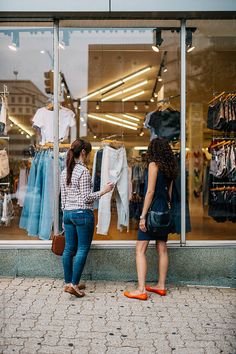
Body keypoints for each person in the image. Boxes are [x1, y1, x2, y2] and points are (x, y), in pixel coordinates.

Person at [124, 138, 178, 300]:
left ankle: (141, 289)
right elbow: (168, 195)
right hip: (164, 211)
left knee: (140, 250)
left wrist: (142, 216)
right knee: (162, 249)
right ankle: (161, 286)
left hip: (152, 210)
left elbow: (150, 192)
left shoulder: (153, 165)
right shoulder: (170, 168)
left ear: (152, 150)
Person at [60, 138, 113, 297]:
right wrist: (104, 191)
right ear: (83, 152)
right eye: (89, 153)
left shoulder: (65, 171)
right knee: (82, 249)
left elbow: (63, 197)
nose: (89, 156)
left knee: (69, 249)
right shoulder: (83, 171)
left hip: (68, 213)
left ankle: (68, 282)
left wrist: (64, 216)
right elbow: (86, 198)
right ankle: (75, 285)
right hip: (82, 214)